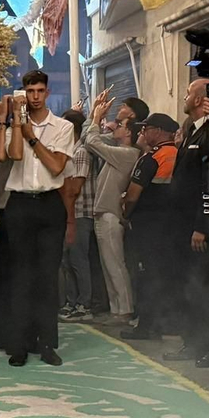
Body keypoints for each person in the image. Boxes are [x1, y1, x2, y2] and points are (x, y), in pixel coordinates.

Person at [0, 71, 75, 366]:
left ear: (47, 92)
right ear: (23, 94)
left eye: (40, 91)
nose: (35, 97)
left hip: (49, 203)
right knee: (20, 276)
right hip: (19, 203)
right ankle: (19, 343)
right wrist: (18, 123)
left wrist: (33, 138)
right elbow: (14, 155)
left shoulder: (63, 127)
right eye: (30, 91)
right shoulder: (14, 126)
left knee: (47, 277)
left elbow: (56, 166)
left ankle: (47, 343)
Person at [161, 78, 209, 367]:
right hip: (182, 225)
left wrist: (202, 225)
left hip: (203, 227)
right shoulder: (193, 131)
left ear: (197, 99)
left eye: (187, 92)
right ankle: (193, 341)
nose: (184, 97)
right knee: (189, 286)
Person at [80, 89, 145, 325]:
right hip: (103, 212)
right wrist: (93, 118)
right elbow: (87, 138)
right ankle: (117, 309)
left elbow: (92, 141)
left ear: (129, 131)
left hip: (111, 213)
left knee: (115, 264)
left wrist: (97, 117)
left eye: (120, 125)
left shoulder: (128, 153)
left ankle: (124, 309)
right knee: (108, 264)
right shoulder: (119, 150)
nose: (115, 126)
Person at [121, 113, 180, 339]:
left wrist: (126, 214)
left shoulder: (151, 158)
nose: (143, 133)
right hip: (174, 226)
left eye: (146, 129)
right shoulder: (180, 154)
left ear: (158, 131)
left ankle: (147, 326)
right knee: (169, 274)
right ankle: (170, 323)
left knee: (147, 276)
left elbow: (132, 195)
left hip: (148, 227)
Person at [59, 110, 94, 321]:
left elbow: (75, 188)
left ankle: (84, 304)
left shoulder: (80, 152)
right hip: (68, 212)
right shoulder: (68, 151)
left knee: (78, 260)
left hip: (80, 212)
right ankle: (71, 302)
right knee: (67, 261)